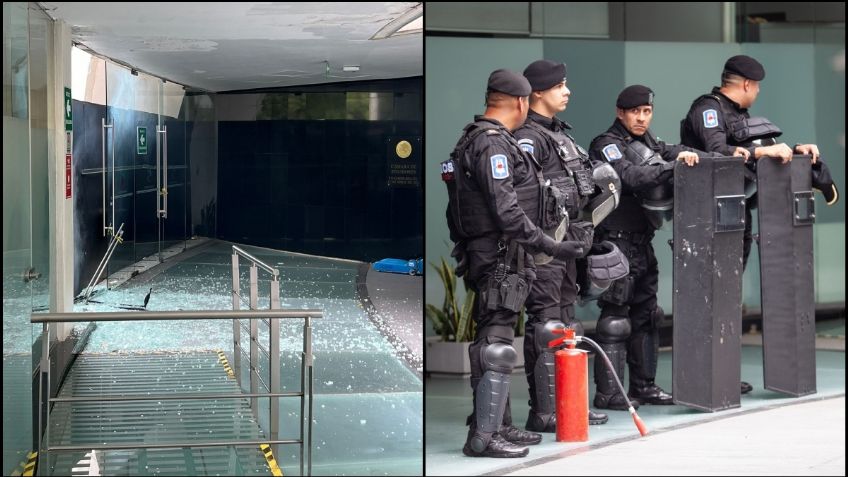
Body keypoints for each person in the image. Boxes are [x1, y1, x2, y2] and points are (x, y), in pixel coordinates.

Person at [442, 69, 589, 458]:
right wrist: (547, 245)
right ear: (522, 102)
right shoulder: (492, 145)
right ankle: (484, 438)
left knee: (495, 338)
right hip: (499, 255)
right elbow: (506, 211)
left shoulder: (483, 139)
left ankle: (497, 426)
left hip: (500, 253)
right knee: (496, 344)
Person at [679, 55, 839, 394]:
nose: (758, 92)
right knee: (713, 297)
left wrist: (796, 150)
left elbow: (761, 149)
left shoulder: (740, 115)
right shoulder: (708, 110)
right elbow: (718, 151)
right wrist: (762, 154)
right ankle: (706, 378)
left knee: (729, 297)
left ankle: (724, 374)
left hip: (736, 213)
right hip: (707, 218)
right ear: (747, 84)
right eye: (757, 87)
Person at [587, 85, 744, 411]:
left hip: (642, 243)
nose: (642, 118)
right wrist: (674, 167)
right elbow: (629, 176)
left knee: (647, 317)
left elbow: (677, 150)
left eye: (647, 111)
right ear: (621, 112)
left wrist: (718, 155)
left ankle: (643, 386)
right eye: (635, 112)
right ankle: (610, 393)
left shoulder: (651, 143)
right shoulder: (606, 144)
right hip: (614, 243)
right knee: (615, 319)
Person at [513, 59, 609, 431]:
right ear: (537, 92)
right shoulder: (528, 137)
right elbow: (524, 199)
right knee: (546, 325)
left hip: (568, 246)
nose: (566, 91)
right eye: (559, 86)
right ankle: (545, 412)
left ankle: (569, 406)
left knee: (569, 324)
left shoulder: (561, 134)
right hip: (544, 247)